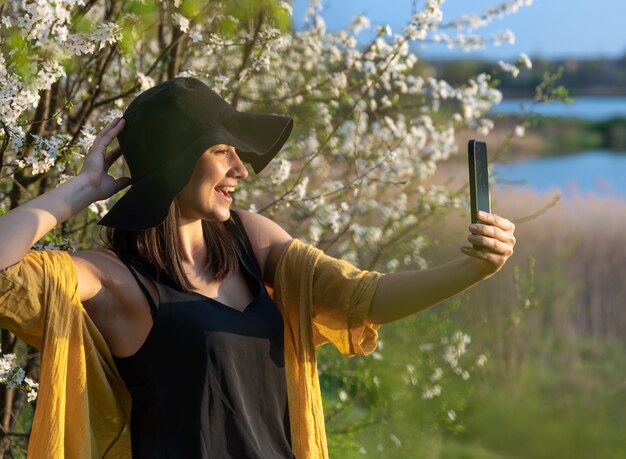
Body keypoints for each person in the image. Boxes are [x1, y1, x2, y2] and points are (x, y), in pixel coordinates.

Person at [0, 77, 516, 458]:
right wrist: (83, 189)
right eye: (221, 150)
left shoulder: (252, 238)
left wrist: (471, 269)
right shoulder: (113, 279)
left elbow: (365, 297)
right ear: (175, 161)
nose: (240, 168)